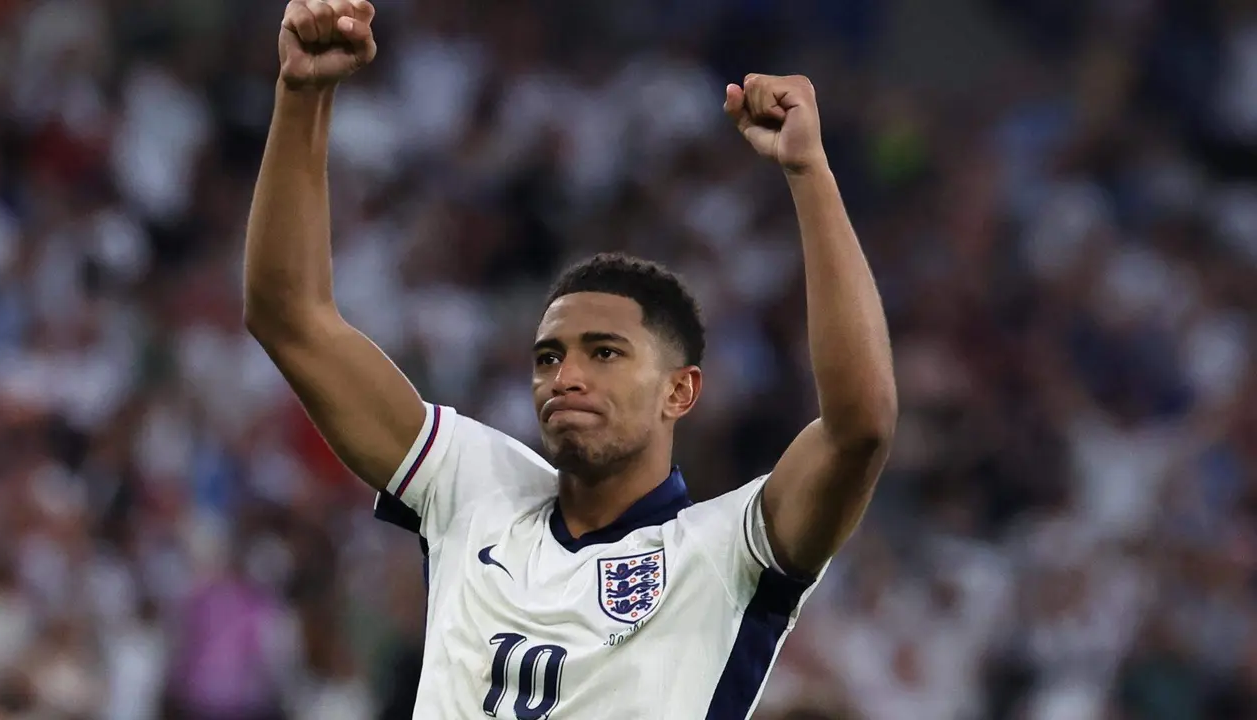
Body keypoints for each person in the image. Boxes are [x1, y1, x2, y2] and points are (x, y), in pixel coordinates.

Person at [243, 1, 897, 717]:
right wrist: (301, 94)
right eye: (547, 357)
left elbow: (859, 424)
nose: (566, 376)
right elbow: (291, 318)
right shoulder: (475, 489)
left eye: (605, 353)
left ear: (680, 391)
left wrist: (808, 171)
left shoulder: (724, 552)